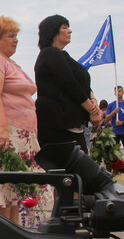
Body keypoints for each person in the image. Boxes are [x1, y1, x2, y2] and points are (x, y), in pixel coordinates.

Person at [0, 16, 45, 226]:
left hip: (22, 135)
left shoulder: (8, 61)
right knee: (3, 192)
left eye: (17, 36)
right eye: (11, 36)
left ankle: (17, 233)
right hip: (8, 134)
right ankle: (3, 237)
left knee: (16, 192)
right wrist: (2, 129)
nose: (16, 40)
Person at [34, 15, 100, 153]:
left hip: (73, 127)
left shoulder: (64, 56)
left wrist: (93, 100)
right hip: (58, 127)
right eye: (64, 28)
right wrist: (92, 110)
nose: (69, 31)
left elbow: (82, 82)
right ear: (53, 32)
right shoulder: (50, 54)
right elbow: (70, 84)